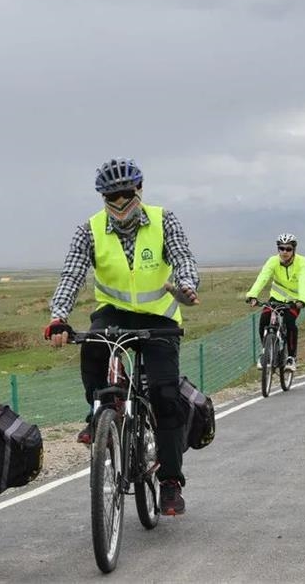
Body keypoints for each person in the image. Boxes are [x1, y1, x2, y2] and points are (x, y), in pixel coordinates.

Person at [44, 158, 200, 516]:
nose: (119, 203)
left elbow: (183, 258)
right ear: (102, 197)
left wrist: (187, 286)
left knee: (165, 395)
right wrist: (58, 316)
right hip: (113, 312)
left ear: (139, 191)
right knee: (93, 348)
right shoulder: (91, 230)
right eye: (111, 197)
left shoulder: (164, 220)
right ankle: (101, 410)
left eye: (126, 195)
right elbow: (72, 273)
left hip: (160, 317)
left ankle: (170, 482)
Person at [245, 233, 305, 370]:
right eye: (281, 248)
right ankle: (265, 352)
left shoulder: (302, 262)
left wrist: (302, 300)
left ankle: (291, 358)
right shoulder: (272, 261)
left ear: (294, 250)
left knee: (290, 322)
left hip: (294, 300)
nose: (284, 252)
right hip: (276, 298)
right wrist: (252, 295)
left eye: (288, 249)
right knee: (264, 320)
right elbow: (262, 278)